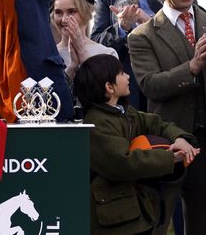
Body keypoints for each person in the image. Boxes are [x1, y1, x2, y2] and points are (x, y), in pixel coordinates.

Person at [127, 0, 206, 235]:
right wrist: (190, 69)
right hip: (166, 145)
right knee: (156, 222)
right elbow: (150, 85)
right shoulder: (142, 36)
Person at [75, 54, 198, 235]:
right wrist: (169, 157)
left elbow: (157, 124)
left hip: (131, 212)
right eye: (122, 73)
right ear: (109, 87)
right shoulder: (97, 122)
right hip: (113, 218)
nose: (128, 76)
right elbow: (122, 163)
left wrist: (179, 138)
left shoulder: (124, 112)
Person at [51, 0, 117, 81]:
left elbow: (106, 93)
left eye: (71, 11)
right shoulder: (49, 56)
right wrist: (72, 68)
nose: (64, 19)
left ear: (86, 13)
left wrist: (82, 54)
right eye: (58, 12)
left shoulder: (107, 54)